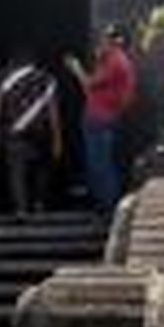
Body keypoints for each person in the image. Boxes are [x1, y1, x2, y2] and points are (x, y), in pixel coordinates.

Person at [64, 24, 137, 213]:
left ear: (115, 42)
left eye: (104, 39)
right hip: (102, 116)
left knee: (101, 165)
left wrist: (76, 68)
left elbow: (88, 83)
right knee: (98, 164)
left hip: (100, 119)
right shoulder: (112, 61)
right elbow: (94, 91)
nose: (100, 43)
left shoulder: (115, 61)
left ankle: (109, 206)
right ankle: (104, 205)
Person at [0, 49, 64, 216]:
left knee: (16, 171)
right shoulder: (47, 79)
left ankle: (21, 208)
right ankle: (39, 202)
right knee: (41, 168)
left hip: (13, 131)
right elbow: (53, 111)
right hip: (41, 131)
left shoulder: (1, 79)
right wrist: (58, 138)